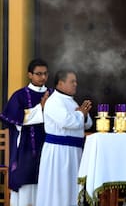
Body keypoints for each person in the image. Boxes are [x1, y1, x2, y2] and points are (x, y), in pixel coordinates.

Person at [36, 69, 93, 206]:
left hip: (74, 152)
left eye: (76, 81)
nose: (75, 84)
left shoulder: (71, 102)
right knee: (58, 189)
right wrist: (81, 114)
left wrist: (82, 114)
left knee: (72, 188)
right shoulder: (54, 101)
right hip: (59, 153)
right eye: (72, 81)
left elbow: (88, 124)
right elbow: (67, 122)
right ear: (60, 84)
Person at [0, 59, 53, 206]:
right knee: (25, 183)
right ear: (29, 75)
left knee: (47, 182)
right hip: (25, 148)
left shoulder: (53, 94)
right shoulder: (20, 95)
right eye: (38, 74)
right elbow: (14, 118)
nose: (43, 77)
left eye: (45, 74)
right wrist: (40, 109)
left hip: (48, 146)